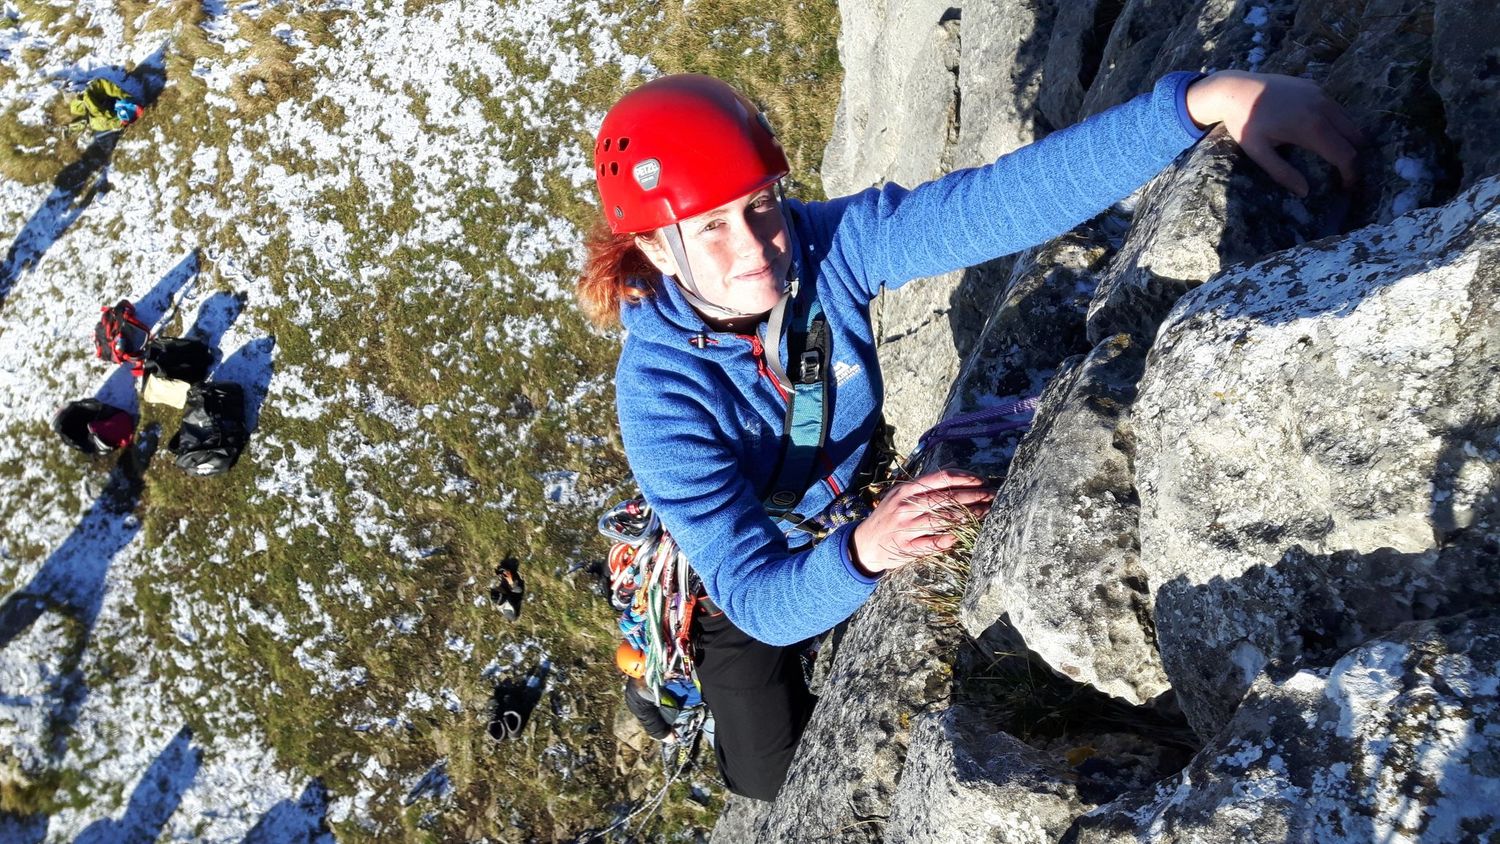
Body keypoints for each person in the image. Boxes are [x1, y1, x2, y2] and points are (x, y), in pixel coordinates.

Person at [578, 69, 1360, 801]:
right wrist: (862, 553)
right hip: (751, 560)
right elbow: (753, 593)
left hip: (846, 495)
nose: (753, 247)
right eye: (710, 226)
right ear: (652, 246)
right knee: (766, 777)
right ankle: (662, 687)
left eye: (759, 205)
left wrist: (1195, 104)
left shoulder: (826, 249)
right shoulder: (659, 400)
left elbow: (994, 204)